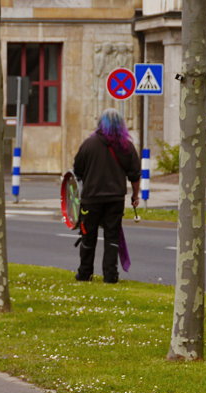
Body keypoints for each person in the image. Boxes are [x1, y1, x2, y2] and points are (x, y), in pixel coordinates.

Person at [73, 108, 141, 283]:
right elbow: (134, 174)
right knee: (112, 236)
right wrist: (135, 196)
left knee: (88, 235)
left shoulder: (89, 144)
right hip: (115, 199)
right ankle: (110, 275)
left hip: (91, 198)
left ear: (100, 123)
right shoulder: (126, 146)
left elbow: (77, 171)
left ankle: (84, 273)